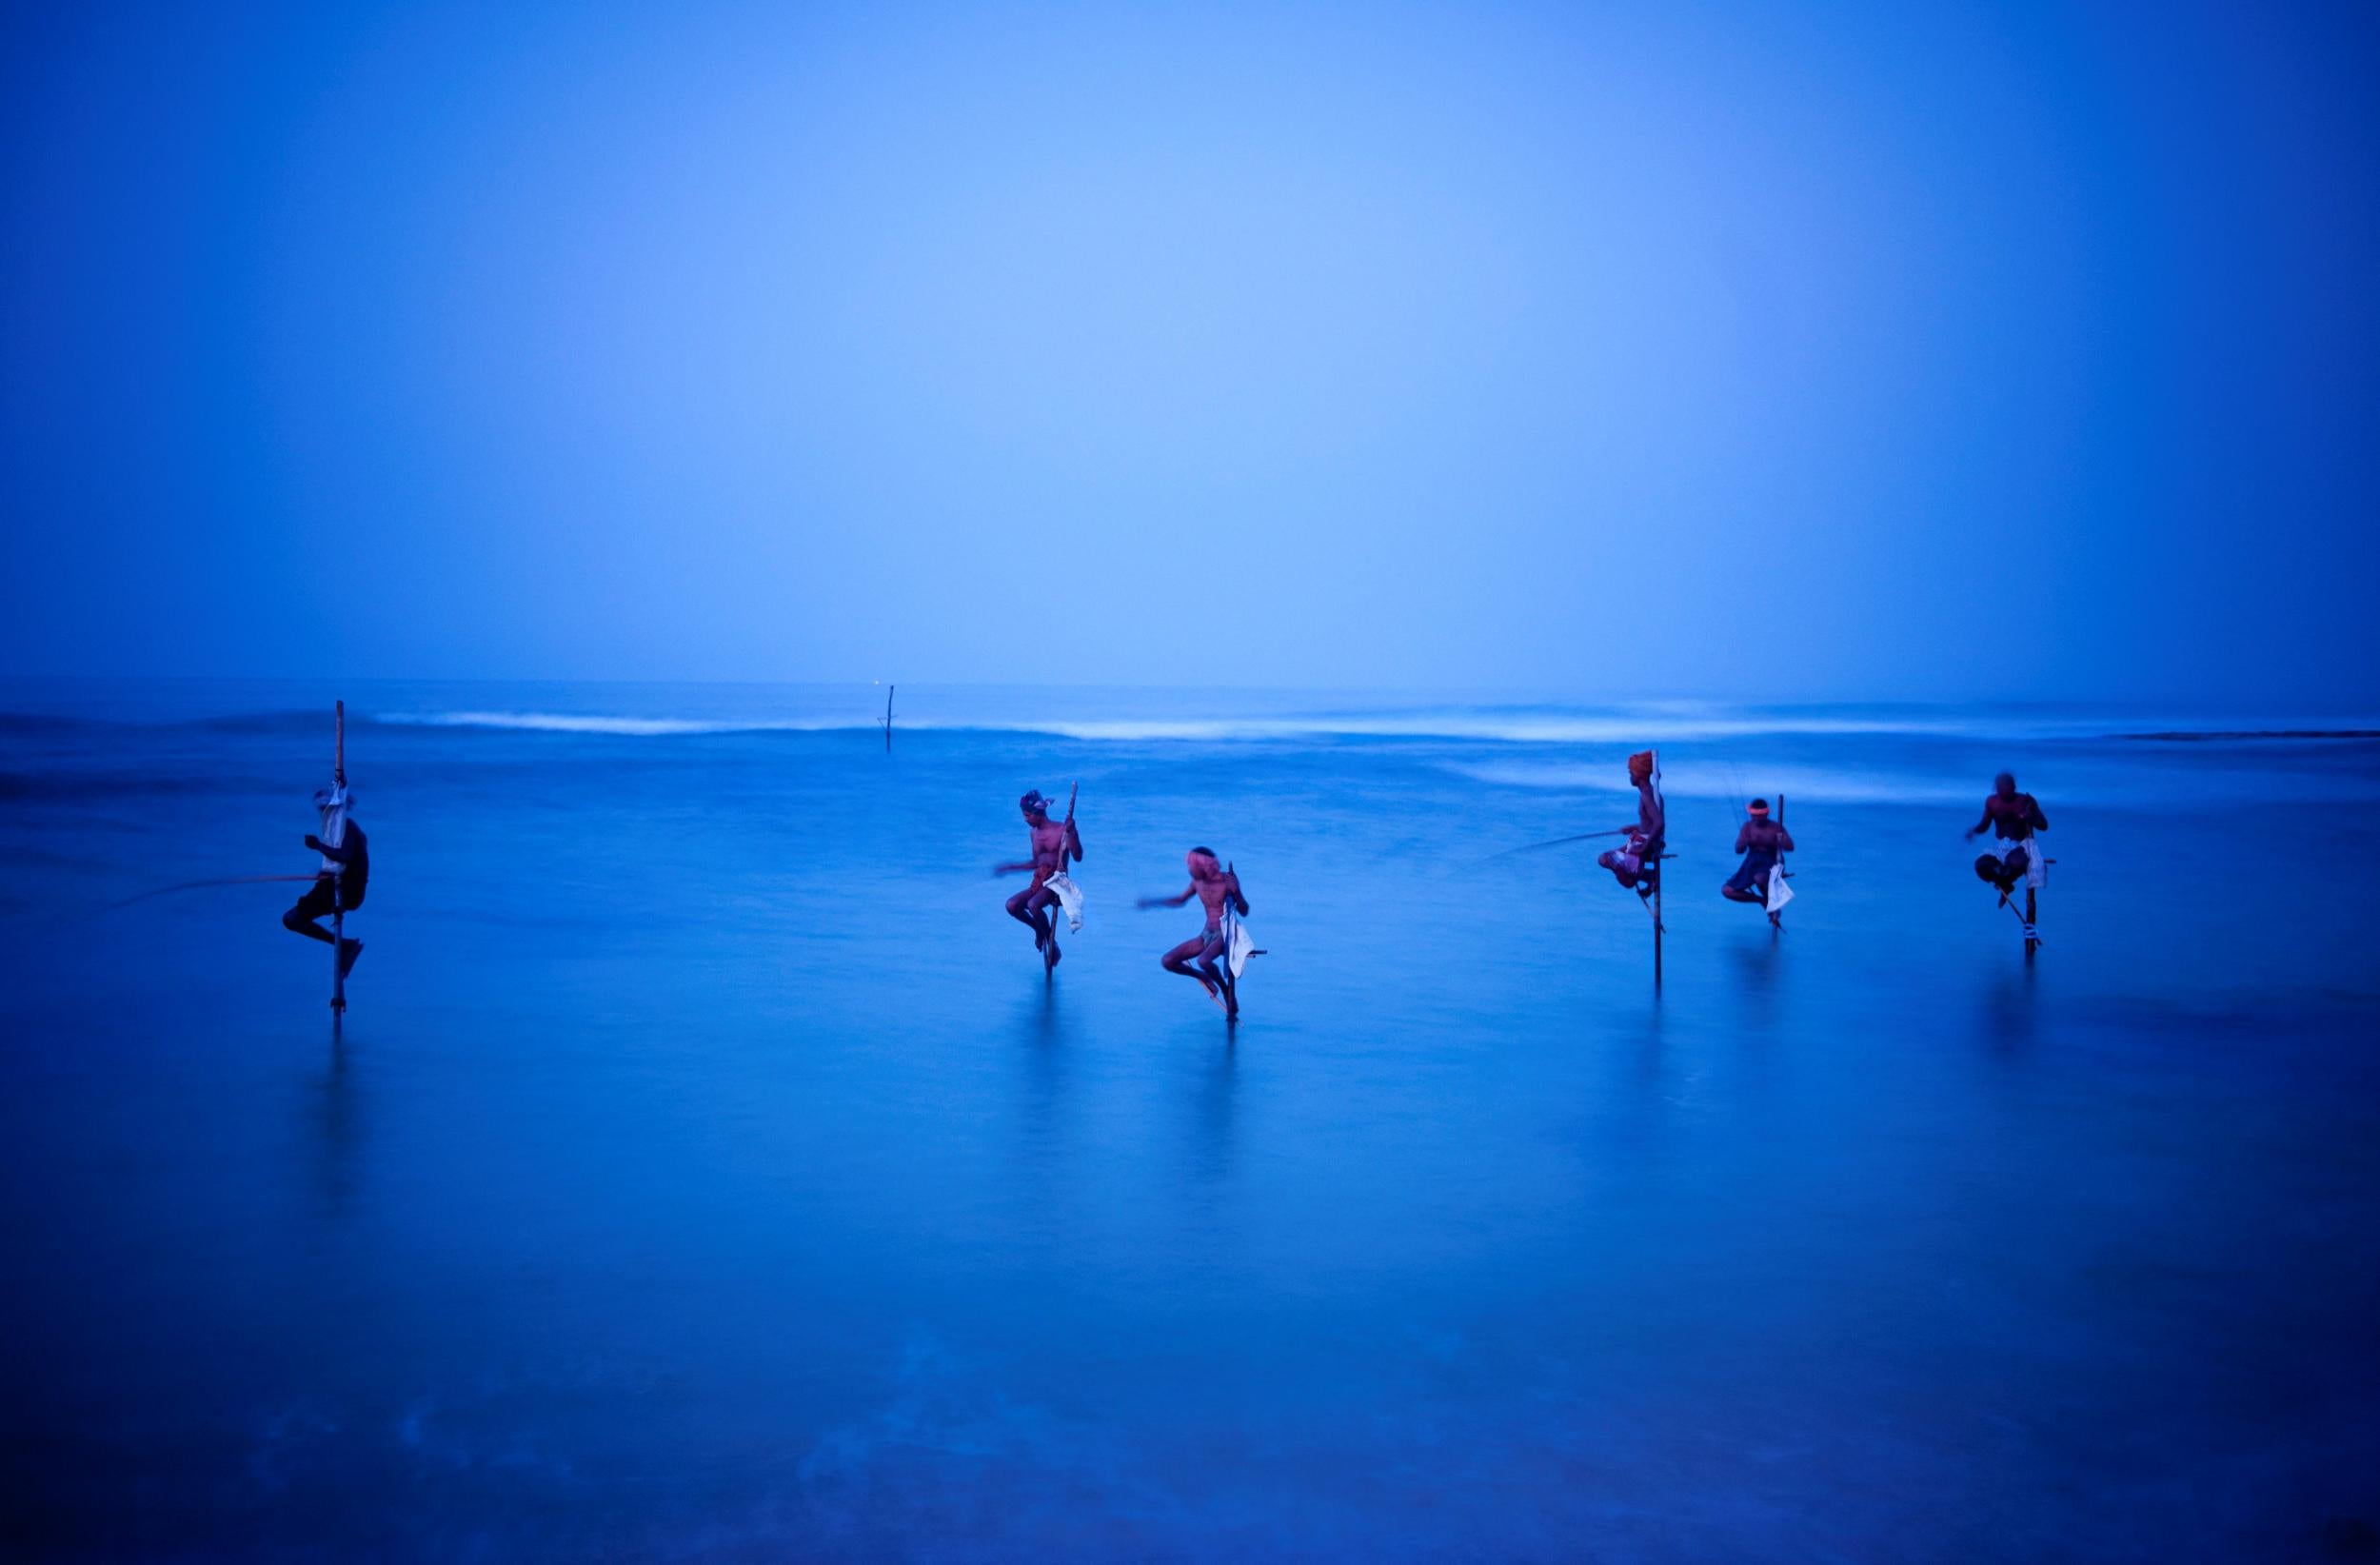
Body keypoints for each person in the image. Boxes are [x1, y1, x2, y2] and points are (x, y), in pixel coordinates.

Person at [1138, 848, 1250, 1020]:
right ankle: (1203, 976)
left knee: (1203, 960)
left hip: (1225, 934)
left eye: (1193, 866)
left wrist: (1236, 891)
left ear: (1205, 866)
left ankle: (1227, 992)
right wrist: (1154, 902)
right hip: (1205, 934)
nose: (1190, 870)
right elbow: (1180, 900)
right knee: (1168, 961)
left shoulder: (1227, 881)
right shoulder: (1197, 883)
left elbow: (1244, 910)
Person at [995, 787, 1081, 975]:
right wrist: (1011, 867)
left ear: (1038, 813)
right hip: (1040, 880)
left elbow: (1078, 856)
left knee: (1033, 905)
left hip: (1057, 883)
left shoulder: (1061, 830)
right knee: (1012, 905)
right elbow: (1037, 862)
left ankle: (1052, 943)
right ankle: (1040, 930)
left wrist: (1073, 832)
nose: (1025, 819)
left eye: (1027, 815)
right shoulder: (1033, 834)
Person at [284, 787, 367, 979]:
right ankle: (345, 945)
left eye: (327, 808)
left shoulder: (348, 827)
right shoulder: (339, 829)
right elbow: (342, 862)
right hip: (337, 886)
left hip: (347, 890)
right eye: (322, 809)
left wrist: (317, 846)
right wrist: (326, 871)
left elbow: (346, 857)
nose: (324, 813)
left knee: (292, 918)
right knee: (292, 919)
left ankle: (345, 946)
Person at [1966, 771, 2048, 901]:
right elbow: (1985, 825)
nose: (2003, 792)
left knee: (2015, 863)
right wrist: (1974, 831)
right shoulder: (1992, 802)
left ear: (2013, 787)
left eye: (2007, 788)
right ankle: (2005, 884)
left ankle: (2006, 880)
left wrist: (2030, 817)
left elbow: (2043, 825)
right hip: (2001, 846)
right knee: (1981, 865)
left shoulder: (2025, 801)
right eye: (1999, 788)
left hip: (2021, 846)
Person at [1597, 750, 1665, 897]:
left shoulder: (1647, 795)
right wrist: (1634, 827)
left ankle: (1645, 876)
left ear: (1638, 774)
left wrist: (1644, 847)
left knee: (1609, 862)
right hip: (1640, 839)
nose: (1630, 776)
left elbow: (1659, 823)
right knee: (1604, 859)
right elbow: (1649, 825)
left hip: (1644, 843)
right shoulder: (1648, 793)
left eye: (1630, 772)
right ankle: (1648, 877)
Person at [1721, 799, 1795, 906]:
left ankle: (1772, 902)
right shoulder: (1747, 827)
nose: (1757, 818)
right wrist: (1742, 843)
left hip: (1772, 860)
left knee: (1759, 878)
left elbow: (1790, 847)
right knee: (1727, 891)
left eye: (1761, 815)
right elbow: (1739, 851)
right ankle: (1763, 900)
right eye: (1754, 815)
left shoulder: (1776, 828)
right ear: (1751, 814)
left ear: (1767, 814)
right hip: (1752, 862)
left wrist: (1781, 839)